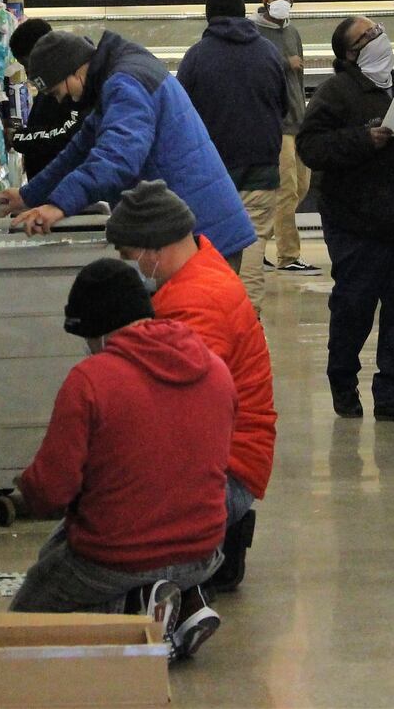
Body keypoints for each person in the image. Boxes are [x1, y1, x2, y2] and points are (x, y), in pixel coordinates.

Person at [12, 257, 235, 659]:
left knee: (27, 620)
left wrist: (24, 489)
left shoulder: (92, 380)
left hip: (117, 558)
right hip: (205, 550)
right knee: (68, 541)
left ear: (96, 330)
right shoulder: (215, 369)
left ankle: (133, 611)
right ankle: (184, 601)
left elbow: (50, 493)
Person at [107, 180, 275, 591]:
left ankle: (193, 570)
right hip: (233, 460)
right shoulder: (202, 267)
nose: (131, 266)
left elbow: (182, 419)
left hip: (226, 473)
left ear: (152, 248)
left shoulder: (195, 304)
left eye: (129, 256)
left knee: (110, 525)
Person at [296, 15, 394, 423]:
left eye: (379, 30)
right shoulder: (337, 93)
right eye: (368, 36)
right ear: (351, 53)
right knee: (354, 308)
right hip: (357, 225)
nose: (379, 38)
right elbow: (310, 147)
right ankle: (343, 387)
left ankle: (392, 395)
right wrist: (362, 140)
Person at [0, 29, 255, 265]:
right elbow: (78, 150)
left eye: (58, 92)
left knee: (200, 314)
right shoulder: (114, 78)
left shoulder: (125, 83)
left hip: (201, 234)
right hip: (188, 226)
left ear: (75, 72)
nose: (65, 100)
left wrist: (59, 206)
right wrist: (29, 195)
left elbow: (118, 157)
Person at [175, 0, 288, 308]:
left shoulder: (196, 57)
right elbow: (283, 107)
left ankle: (215, 319)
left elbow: (182, 115)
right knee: (252, 246)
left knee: (210, 248)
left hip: (211, 172)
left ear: (209, 17)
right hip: (261, 168)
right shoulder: (269, 52)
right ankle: (249, 322)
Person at [251, 0, 318, 274]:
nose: (281, 1)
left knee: (302, 185)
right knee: (286, 191)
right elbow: (253, 71)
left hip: (297, 121)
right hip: (275, 124)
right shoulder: (253, 32)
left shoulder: (293, 32)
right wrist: (283, 63)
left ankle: (258, 246)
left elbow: (298, 80)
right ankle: (288, 255)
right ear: (265, 1)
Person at [7, 18, 82, 178]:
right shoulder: (50, 82)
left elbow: (64, 135)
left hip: (61, 188)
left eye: (28, 64)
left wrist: (18, 137)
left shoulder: (71, 87)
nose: (28, 72)